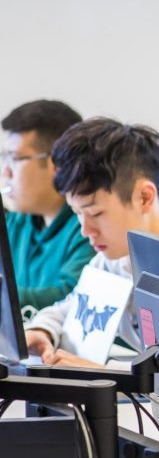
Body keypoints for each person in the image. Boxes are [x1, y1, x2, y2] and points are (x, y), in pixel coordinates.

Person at [24, 117, 159, 368]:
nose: (86, 230)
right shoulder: (115, 254)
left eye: (96, 213)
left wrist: (110, 374)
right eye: (78, 213)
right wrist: (42, 331)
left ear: (144, 197)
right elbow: (71, 308)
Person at [1, 100, 95, 312]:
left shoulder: (89, 226)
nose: (5, 172)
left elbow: (71, 296)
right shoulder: (16, 222)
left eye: (16, 159)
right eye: (4, 158)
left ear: (56, 164)